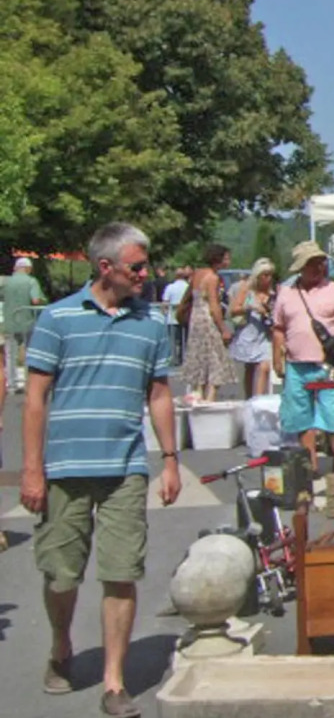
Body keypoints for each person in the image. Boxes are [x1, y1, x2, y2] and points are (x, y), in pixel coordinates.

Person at [21, 222, 180, 718]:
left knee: (121, 573)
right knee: (62, 575)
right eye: (136, 266)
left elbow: (158, 394)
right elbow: (36, 398)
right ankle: (61, 645)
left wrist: (171, 460)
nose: (145, 273)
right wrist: (32, 469)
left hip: (124, 468)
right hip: (64, 468)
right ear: (105, 267)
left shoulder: (151, 323)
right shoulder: (57, 318)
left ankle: (114, 681)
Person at [272, 241, 334, 474]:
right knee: (301, 416)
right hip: (296, 364)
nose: (317, 268)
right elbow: (278, 328)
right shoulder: (286, 293)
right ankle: (310, 463)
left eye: (320, 263)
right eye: (311, 264)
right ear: (300, 267)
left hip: (330, 364)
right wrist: (277, 358)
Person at [182, 245, 235, 401]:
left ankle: (198, 393)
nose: (228, 261)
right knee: (215, 358)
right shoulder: (213, 277)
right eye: (226, 258)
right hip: (207, 320)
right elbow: (214, 306)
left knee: (200, 357)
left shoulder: (197, 274)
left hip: (195, 318)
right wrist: (223, 328)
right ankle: (210, 398)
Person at [228, 258, 276, 398]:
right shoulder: (247, 289)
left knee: (264, 365)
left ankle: (259, 398)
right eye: (265, 275)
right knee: (250, 367)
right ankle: (249, 397)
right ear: (258, 276)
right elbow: (233, 310)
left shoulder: (272, 293)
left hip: (265, 333)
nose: (268, 279)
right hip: (249, 331)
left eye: (270, 275)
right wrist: (250, 307)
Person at [5, 255, 48, 392]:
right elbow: (35, 300)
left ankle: (10, 382)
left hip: (8, 322)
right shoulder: (31, 281)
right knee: (28, 352)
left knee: (10, 353)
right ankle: (26, 381)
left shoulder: (6, 282)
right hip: (27, 322)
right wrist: (44, 301)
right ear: (27, 268)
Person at [161, 266, 191, 369]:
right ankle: (184, 358)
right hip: (186, 318)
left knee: (173, 340)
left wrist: (164, 313)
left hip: (172, 318)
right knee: (185, 339)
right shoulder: (188, 287)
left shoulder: (170, 287)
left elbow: (165, 302)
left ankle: (174, 358)